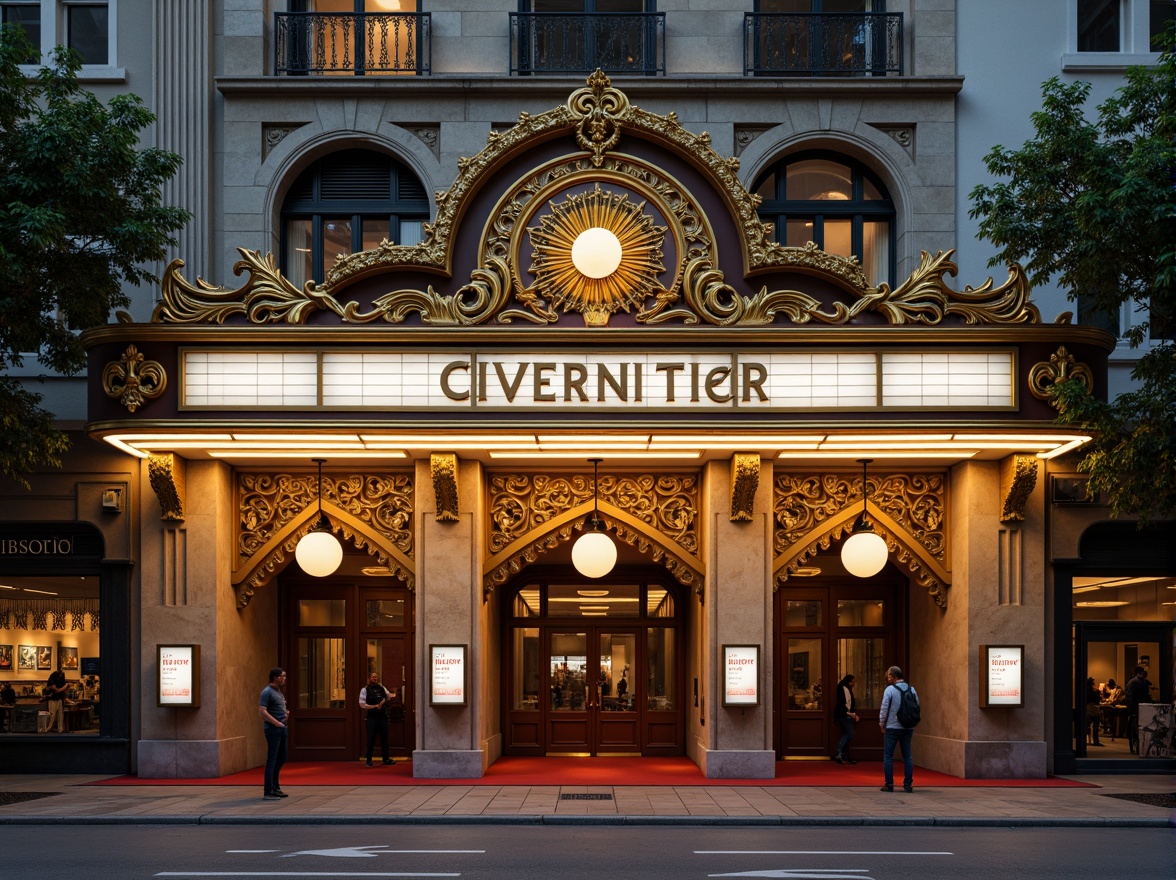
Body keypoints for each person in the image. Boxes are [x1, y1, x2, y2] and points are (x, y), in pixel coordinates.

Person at [878, 665, 916, 793]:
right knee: (907, 756)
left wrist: (881, 723)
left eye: (889, 675)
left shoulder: (889, 690)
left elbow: (884, 708)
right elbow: (916, 707)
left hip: (892, 727)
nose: (887, 678)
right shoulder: (912, 689)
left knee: (888, 756)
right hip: (907, 727)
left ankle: (889, 784)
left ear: (893, 676)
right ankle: (908, 784)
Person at [258, 667, 289, 799]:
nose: (284, 679)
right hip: (273, 729)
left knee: (282, 757)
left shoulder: (278, 692)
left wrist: (285, 713)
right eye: (282, 676)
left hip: (282, 727)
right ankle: (268, 790)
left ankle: (275, 786)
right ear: (275, 677)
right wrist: (276, 723)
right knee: (272, 759)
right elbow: (262, 711)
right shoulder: (267, 692)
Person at [359, 671, 394, 767]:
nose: (375, 678)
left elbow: (389, 696)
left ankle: (386, 759)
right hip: (372, 718)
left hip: (382, 716)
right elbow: (362, 704)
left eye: (376, 677)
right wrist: (374, 706)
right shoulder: (364, 690)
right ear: (369, 678)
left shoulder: (382, 688)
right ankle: (369, 760)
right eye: (372, 677)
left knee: (384, 738)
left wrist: (388, 697)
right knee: (371, 739)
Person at [1123, 665, 1152, 754]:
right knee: (1137, 729)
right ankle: (1138, 747)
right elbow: (1137, 697)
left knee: (1136, 728)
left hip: (1135, 708)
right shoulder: (1138, 683)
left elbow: (1129, 697)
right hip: (1138, 708)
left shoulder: (1133, 682)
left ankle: (1137, 747)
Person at [832, 674, 859, 764]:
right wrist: (852, 714)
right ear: (849, 681)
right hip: (843, 715)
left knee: (848, 734)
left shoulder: (844, 688)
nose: (854, 683)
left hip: (844, 715)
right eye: (853, 681)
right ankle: (840, 753)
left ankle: (844, 755)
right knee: (850, 733)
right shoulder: (844, 689)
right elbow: (845, 704)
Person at [1084, 677, 1103, 746]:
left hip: (1087, 708)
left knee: (1086, 725)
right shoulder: (1094, 691)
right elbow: (1098, 699)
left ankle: (1084, 739)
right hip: (1093, 708)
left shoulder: (1084, 690)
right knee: (1096, 725)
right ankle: (1096, 740)